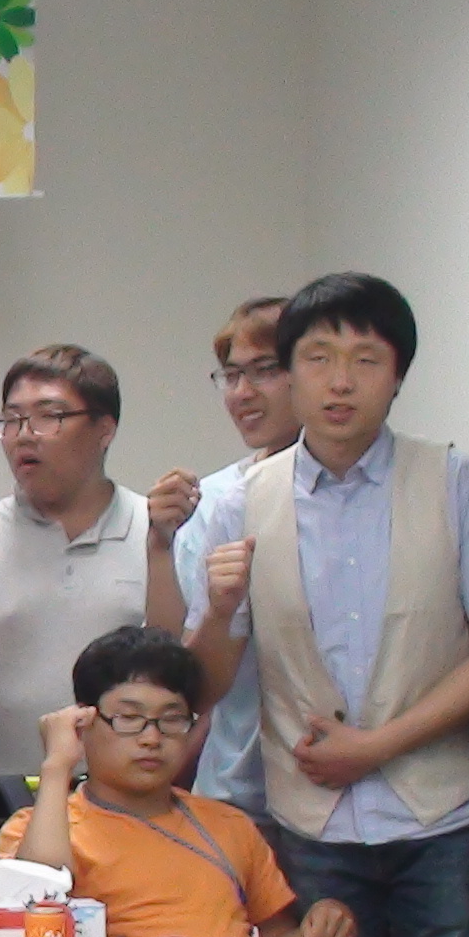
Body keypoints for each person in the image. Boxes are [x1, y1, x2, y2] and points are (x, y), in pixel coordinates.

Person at [184, 273, 469, 937]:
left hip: (448, 817)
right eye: (318, 359)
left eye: (366, 361)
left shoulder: (455, 482)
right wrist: (218, 609)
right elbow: (207, 685)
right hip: (314, 823)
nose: (341, 382)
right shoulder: (243, 501)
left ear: (398, 375)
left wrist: (377, 746)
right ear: (290, 373)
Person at [0, 347, 194, 823]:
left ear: (104, 429)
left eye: (49, 417)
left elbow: (178, 673)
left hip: (130, 813)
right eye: (11, 420)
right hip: (2, 809)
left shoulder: (157, 530)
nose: (24, 435)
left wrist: (161, 547)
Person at [2, 626, 358, 937]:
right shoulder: (41, 828)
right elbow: (36, 906)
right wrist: (57, 765)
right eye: (129, 718)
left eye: (171, 719)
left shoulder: (229, 825)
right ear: (83, 722)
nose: (151, 738)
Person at [174, 296, 300, 825]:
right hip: (236, 790)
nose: (243, 393)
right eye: (231, 376)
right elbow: (188, 667)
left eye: (264, 370)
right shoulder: (215, 502)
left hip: (340, 784)